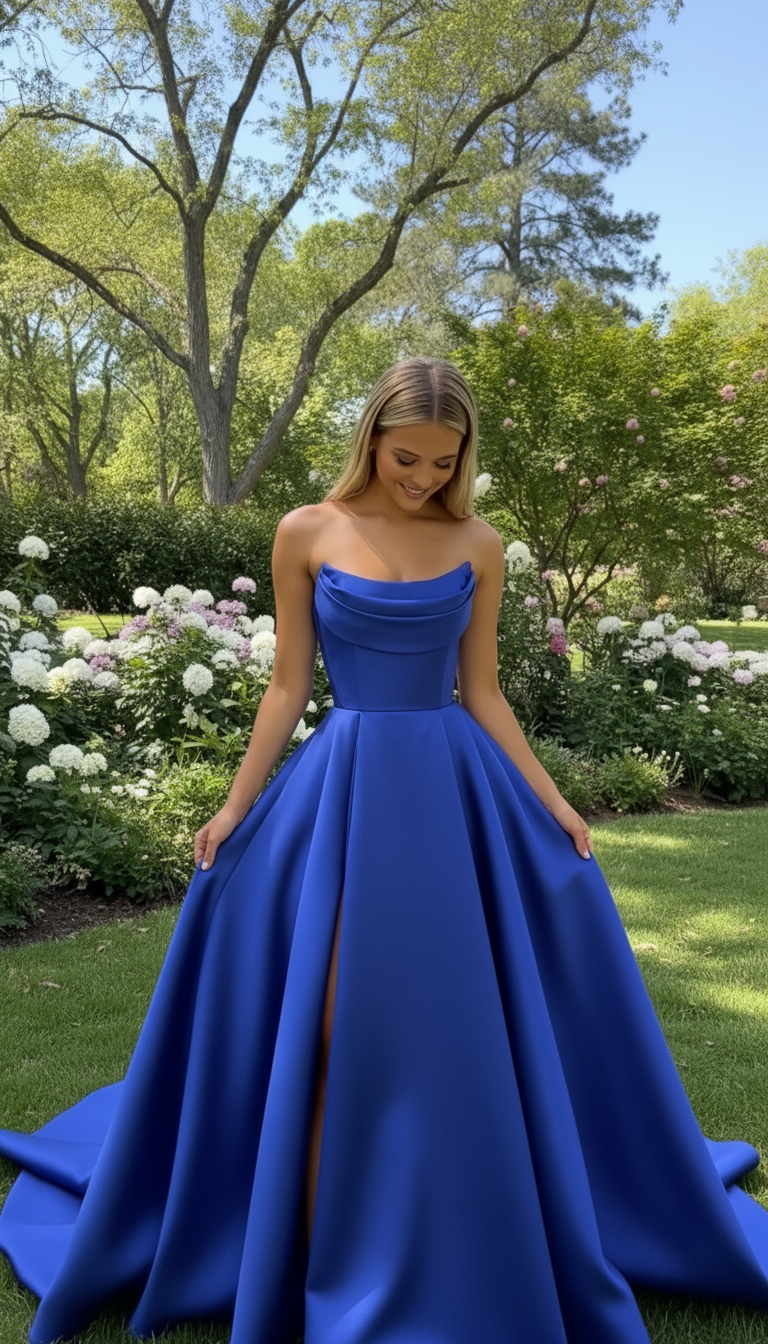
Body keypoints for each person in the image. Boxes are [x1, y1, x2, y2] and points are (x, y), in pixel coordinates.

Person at [1, 356, 768, 1344]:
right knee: (329, 1035)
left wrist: (558, 802)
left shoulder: (478, 542)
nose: (424, 480)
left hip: (451, 800)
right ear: (372, 438)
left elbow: (484, 692)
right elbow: (287, 687)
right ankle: (327, 1259)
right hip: (345, 791)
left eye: (445, 464)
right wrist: (237, 806)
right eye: (409, 458)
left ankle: (446, 1243)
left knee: (449, 1043)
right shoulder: (307, 532)